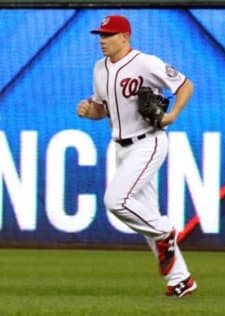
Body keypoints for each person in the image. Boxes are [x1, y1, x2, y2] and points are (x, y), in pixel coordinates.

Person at [76, 15, 197, 297]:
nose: (102, 40)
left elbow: (185, 85)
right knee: (145, 214)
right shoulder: (99, 68)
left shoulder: (146, 62)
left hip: (149, 142)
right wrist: (88, 111)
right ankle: (181, 280)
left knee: (116, 201)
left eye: (108, 35)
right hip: (120, 145)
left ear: (125, 37)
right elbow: (100, 109)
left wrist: (171, 116)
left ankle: (165, 231)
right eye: (100, 35)